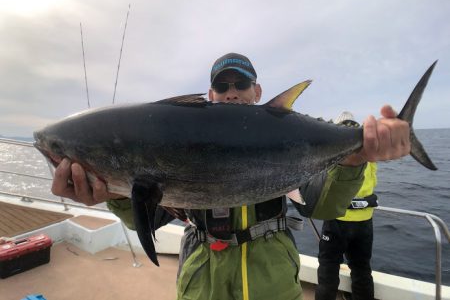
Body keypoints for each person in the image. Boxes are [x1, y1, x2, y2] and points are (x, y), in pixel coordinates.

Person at [51, 53, 411, 300]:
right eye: (222, 86)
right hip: (201, 279)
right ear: (210, 95)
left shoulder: (285, 137)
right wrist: (112, 194)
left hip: (271, 278)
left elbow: (323, 206)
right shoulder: (183, 140)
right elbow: (148, 217)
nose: (232, 91)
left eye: (241, 83)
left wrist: (354, 157)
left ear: (258, 92)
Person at [315, 112, 378, 300]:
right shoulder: (370, 152)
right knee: (362, 270)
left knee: (328, 269)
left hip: (337, 219)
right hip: (364, 222)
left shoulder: (334, 149)